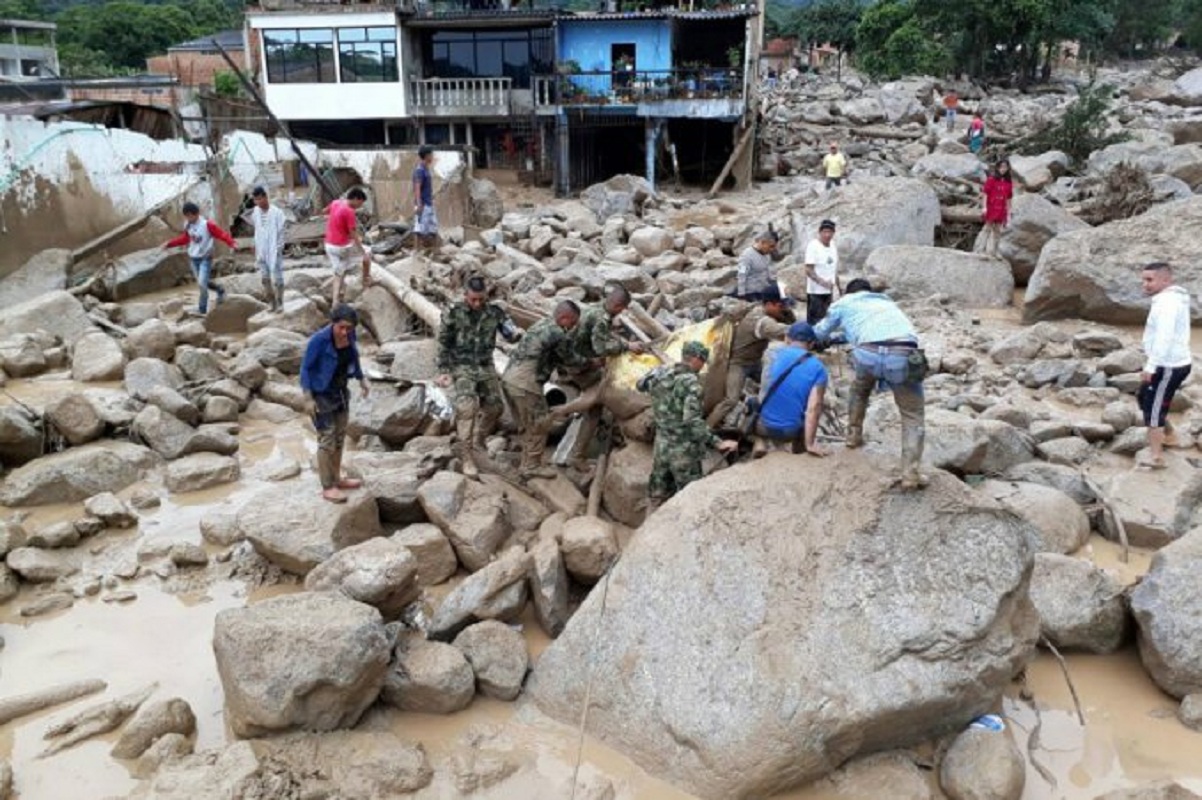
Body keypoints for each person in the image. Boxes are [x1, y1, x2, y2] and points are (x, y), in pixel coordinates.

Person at [814, 278, 928, 490]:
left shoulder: (844, 303)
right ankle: (910, 474)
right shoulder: (887, 303)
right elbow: (879, 333)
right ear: (869, 291)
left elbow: (820, 332)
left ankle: (853, 436)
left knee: (860, 390)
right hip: (905, 354)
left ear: (849, 293)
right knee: (913, 415)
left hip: (867, 355)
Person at [638, 342, 738, 514]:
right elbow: (692, 422)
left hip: (661, 445)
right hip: (683, 450)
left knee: (657, 495)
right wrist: (718, 443)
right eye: (702, 361)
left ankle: (649, 531)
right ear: (696, 359)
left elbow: (640, 385)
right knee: (690, 497)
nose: (702, 366)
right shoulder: (692, 384)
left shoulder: (660, 372)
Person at [436, 276, 522, 478]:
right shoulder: (454, 312)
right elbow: (443, 342)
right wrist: (443, 370)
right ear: (465, 295)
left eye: (481, 299)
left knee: (495, 407)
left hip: (485, 365)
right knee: (467, 409)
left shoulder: (494, 312)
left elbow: (510, 333)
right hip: (462, 366)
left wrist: (518, 333)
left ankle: (479, 439)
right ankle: (467, 457)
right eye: (473, 299)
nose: (477, 304)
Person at [556, 284, 646, 469]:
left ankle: (565, 424)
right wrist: (627, 347)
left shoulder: (596, 309)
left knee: (595, 403)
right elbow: (600, 348)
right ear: (619, 307)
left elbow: (603, 337)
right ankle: (575, 449)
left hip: (573, 360)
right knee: (596, 404)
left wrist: (622, 342)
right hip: (579, 366)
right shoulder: (601, 318)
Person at [502, 300, 582, 480]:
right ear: (564, 318)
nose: (574, 326)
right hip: (525, 383)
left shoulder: (541, 324)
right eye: (573, 322)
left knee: (525, 424)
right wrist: (592, 362)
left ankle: (525, 461)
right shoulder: (557, 333)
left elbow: (552, 357)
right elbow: (572, 360)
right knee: (541, 423)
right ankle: (531, 466)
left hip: (509, 378)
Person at [300, 305, 370, 504]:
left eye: (349, 328)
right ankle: (328, 486)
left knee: (340, 437)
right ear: (333, 324)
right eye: (341, 327)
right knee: (327, 439)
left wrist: (361, 378)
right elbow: (305, 368)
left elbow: (353, 356)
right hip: (320, 393)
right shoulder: (319, 341)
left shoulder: (350, 336)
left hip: (340, 391)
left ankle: (337, 478)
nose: (345, 332)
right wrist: (307, 398)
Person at [706, 285, 792, 429]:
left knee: (777, 383)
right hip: (738, 363)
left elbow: (788, 320)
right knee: (731, 400)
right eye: (780, 306)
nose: (783, 309)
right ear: (769, 304)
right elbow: (781, 331)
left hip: (755, 361)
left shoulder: (763, 310)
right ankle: (706, 428)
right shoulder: (760, 321)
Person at [1138, 262, 1193, 469]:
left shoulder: (1168, 304)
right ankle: (1169, 434)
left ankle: (1156, 457)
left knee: (1152, 408)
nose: (1145, 284)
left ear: (1166, 280)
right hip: (1169, 361)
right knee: (1143, 397)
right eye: (1143, 279)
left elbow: (1164, 336)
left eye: (1150, 280)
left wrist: (1151, 366)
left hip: (1167, 365)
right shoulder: (1168, 299)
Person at [753, 322, 829, 456]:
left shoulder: (771, 354)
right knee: (807, 410)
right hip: (790, 431)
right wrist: (810, 443)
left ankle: (759, 441)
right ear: (811, 344)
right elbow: (813, 408)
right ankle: (801, 451)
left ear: (787, 338)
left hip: (763, 426)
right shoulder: (819, 368)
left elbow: (764, 389)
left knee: (752, 403)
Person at [163, 202, 238, 315]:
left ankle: (202, 309)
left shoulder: (207, 225)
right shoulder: (188, 225)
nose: (188, 218)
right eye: (186, 216)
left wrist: (231, 243)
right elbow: (185, 239)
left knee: (202, 284)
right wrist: (169, 244)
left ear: (197, 214)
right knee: (203, 282)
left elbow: (221, 234)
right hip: (193, 258)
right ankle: (219, 290)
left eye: (190, 215)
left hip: (205, 258)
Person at [325, 187, 372, 307]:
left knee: (339, 272)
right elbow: (353, 234)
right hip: (341, 247)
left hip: (329, 245)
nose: (360, 206)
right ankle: (366, 282)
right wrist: (363, 253)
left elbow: (324, 210)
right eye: (360, 203)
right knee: (368, 252)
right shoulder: (349, 211)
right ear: (356, 199)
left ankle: (336, 299)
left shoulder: (336, 202)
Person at [250, 186, 287, 312]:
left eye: (260, 199)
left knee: (278, 278)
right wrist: (255, 245)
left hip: (274, 249)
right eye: (255, 200)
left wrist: (279, 248)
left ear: (265, 197)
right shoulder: (255, 212)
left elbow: (281, 232)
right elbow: (257, 230)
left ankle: (280, 302)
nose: (258, 202)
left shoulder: (277, 213)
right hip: (261, 250)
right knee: (265, 278)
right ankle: (272, 302)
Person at [804, 219, 841, 325]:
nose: (827, 235)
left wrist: (838, 287)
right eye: (825, 232)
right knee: (816, 319)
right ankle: (813, 340)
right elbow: (808, 269)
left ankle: (824, 340)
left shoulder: (833, 245)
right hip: (816, 291)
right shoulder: (813, 246)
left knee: (826, 317)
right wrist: (822, 282)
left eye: (830, 232)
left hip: (829, 290)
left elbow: (834, 268)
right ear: (820, 232)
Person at [735, 230, 783, 300]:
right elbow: (741, 275)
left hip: (764, 289)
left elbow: (769, 272)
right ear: (763, 242)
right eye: (771, 246)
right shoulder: (746, 256)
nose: (773, 249)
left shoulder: (767, 255)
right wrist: (741, 294)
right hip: (751, 292)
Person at [981, 159, 1013, 257]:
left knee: (998, 231)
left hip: (1001, 209)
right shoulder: (991, 179)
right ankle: (983, 251)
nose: (1003, 169)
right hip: (991, 207)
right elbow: (985, 193)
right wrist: (984, 207)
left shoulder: (1008, 182)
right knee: (988, 228)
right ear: (998, 167)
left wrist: (1009, 212)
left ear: (1008, 168)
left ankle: (995, 251)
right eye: (1001, 167)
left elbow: (1009, 198)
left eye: (1005, 167)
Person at [412, 145, 438, 253]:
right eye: (431, 154)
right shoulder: (420, 170)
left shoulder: (426, 169)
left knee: (433, 227)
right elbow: (417, 187)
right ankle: (417, 250)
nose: (432, 157)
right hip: (423, 204)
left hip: (429, 203)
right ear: (427, 156)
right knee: (420, 229)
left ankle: (434, 250)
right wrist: (419, 204)